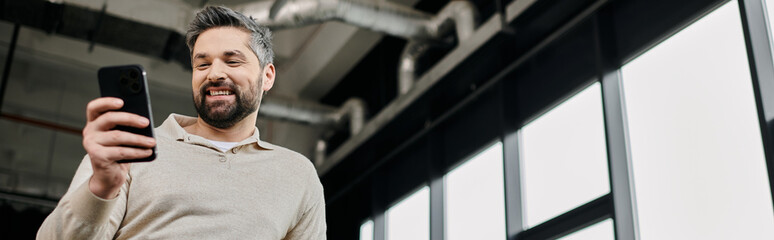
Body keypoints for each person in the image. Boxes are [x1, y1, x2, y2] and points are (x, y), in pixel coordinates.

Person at [36, 6, 326, 239]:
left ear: (267, 76)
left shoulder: (298, 174)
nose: (214, 74)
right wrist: (102, 186)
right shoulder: (127, 149)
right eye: (202, 64)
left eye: (232, 61)